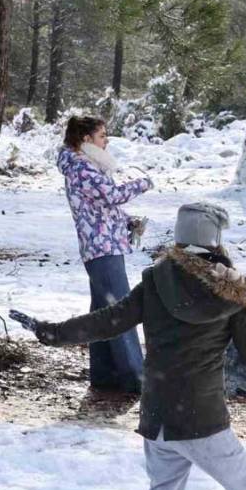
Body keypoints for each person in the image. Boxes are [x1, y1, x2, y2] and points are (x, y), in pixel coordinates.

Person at [10, 202, 246, 490]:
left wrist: (53, 332)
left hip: (158, 421)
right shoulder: (234, 295)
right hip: (202, 423)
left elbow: (108, 321)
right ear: (215, 239)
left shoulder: (155, 281)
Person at [58, 115, 152, 393]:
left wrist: (127, 222)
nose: (106, 140)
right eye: (102, 136)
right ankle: (135, 378)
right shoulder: (81, 167)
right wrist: (142, 183)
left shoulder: (85, 165)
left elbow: (101, 207)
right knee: (120, 311)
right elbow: (111, 195)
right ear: (86, 138)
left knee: (103, 311)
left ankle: (105, 374)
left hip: (104, 244)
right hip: (102, 247)